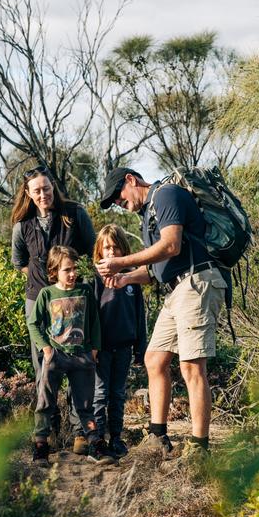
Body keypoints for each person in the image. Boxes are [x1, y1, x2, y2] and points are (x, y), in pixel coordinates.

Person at [97, 167, 227, 458]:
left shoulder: (166, 194)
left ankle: (199, 448)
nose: (119, 203)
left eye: (117, 196)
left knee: (192, 367)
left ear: (131, 180)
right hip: (177, 289)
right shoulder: (149, 213)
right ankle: (158, 436)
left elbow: (171, 245)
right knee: (154, 359)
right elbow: (157, 269)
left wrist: (120, 262)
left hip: (196, 283)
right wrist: (126, 277)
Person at [11, 165, 96, 454]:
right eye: (36, 190)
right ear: (28, 193)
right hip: (38, 299)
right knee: (44, 365)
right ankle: (48, 432)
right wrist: (44, 284)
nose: (43, 194)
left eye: (46, 188)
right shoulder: (22, 225)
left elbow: (91, 249)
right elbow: (19, 261)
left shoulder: (73, 214)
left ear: (53, 187)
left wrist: (69, 281)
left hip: (73, 301)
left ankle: (79, 432)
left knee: (75, 362)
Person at [28, 245, 113, 466]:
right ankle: (41, 447)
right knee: (45, 402)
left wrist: (94, 349)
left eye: (75, 268)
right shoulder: (47, 294)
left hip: (82, 357)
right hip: (56, 357)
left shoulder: (84, 291)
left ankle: (95, 444)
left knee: (85, 405)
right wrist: (46, 349)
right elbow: (33, 323)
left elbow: (95, 323)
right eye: (67, 270)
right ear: (54, 271)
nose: (73, 273)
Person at [92, 224, 147, 457]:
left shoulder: (132, 277)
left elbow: (139, 315)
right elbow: (89, 316)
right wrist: (91, 347)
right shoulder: (94, 278)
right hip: (101, 348)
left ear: (124, 250)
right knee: (100, 393)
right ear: (99, 252)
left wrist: (140, 348)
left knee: (118, 394)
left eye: (115, 247)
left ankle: (116, 438)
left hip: (124, 346)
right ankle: (96, 440)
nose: (111, 252)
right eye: (106, 248)